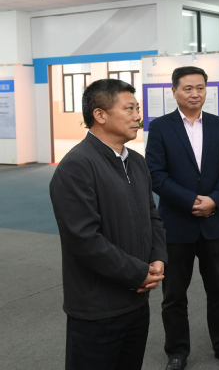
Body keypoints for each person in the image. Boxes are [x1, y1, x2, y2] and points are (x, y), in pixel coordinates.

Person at [49, 79, 167, 370]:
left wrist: (158, 257)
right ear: (100, 115)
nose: (138, 116)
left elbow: (152, 215)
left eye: (138, 108)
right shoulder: (77, 165)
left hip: (137, 300)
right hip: (98, 308)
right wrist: (138, 273)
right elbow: (84, 239)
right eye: (129, 109)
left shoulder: (136, 161)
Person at [146, 66, 219, 370]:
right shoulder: (160, 127)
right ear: (174, 91)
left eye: (200, 88)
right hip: (177, 225)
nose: (194, 94)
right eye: (188, 88)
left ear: (207, 90)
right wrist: (190, 201)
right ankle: (177, 351)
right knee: (174, 295)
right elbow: (156, 175)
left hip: (214, 222)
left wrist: (214, 199)